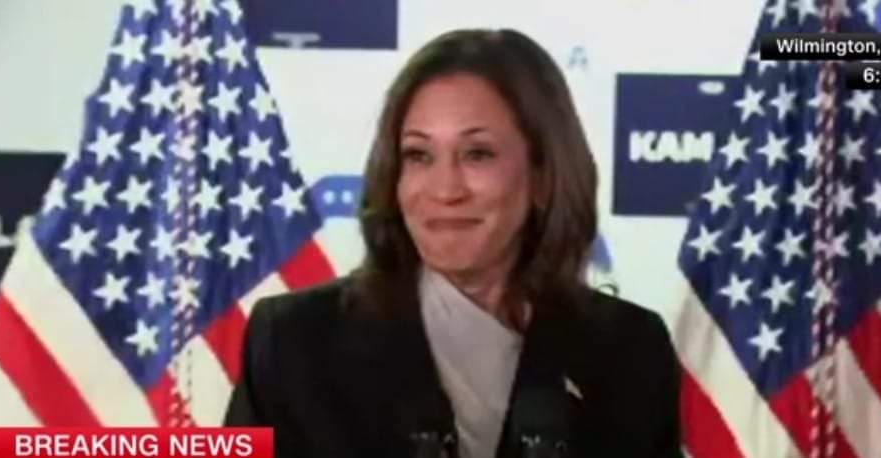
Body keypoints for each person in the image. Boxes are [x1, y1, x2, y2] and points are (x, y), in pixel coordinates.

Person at [224, 28, 682, 458]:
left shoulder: (630, 350)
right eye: (418, 155)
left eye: (477, 154)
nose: (445, 190)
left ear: (544, 176)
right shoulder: (290, 340)